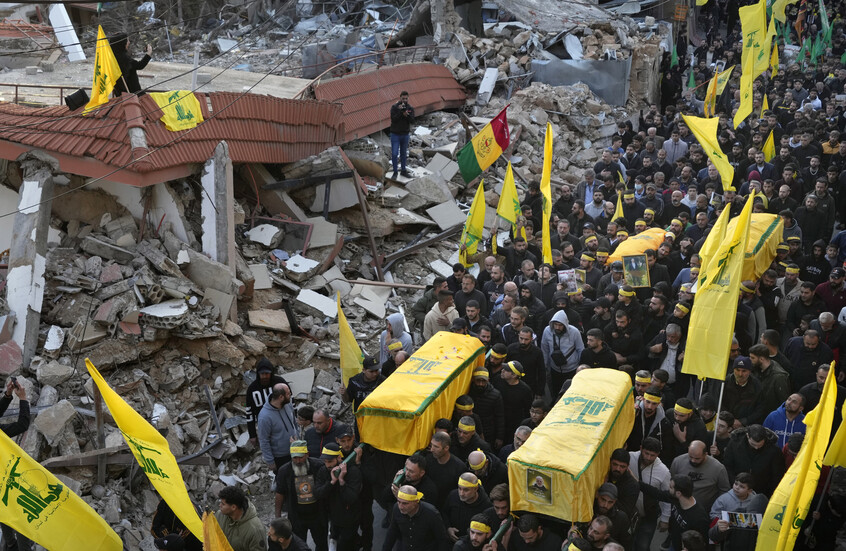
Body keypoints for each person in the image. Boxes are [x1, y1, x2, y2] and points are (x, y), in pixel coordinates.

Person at [274, 441, 327, 550]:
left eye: (301, 457)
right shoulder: (284, 471)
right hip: (297, 516)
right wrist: (278, 516)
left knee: (322, 544)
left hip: (317, 514)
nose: (298, 461)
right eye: (295, 458)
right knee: (297, 546)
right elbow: (280, 493)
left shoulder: (318, 466)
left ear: (307, 454)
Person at [638, 475, 710, 551]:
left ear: (679, 493)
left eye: (671, 487)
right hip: (674, 544)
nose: (668, 489)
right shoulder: (676, 499)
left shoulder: (699, 518)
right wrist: (637, 482)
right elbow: (657, 493)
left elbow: (704, 543)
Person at [314, 443, 362, 551]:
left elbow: (351, 498)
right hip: (334, 518)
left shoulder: (353, 472)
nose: (327, 465)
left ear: (339, 458)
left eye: (330, 461)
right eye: (325, 462)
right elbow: (318, 493)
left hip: (349, 519)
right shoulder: (323, 471)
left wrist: (341, 481)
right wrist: (331, 482)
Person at [1, 378, 31, 551]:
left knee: (3, 511)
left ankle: (10, 544)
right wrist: (23, 399)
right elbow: (22, 424)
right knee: (20, 515)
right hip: (7, 479)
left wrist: (7, 395)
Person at [708, 473, 769, 550]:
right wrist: (721, 523)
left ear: (749, 491)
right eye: (736, 484)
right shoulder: (724, 500)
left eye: (742, 487)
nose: (737, 488)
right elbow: (713, 532)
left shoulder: (757, 502)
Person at [629, 437, 671, 551]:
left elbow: (666, 497)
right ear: (641, 448)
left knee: (643, 545)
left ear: (658, 454)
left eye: (652, 455)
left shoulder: (664, 471)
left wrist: (665, 519)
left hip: (648, 515)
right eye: (646, 453)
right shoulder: (630, 457)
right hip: (628, 511)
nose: (648, 458)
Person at [721, 424, 784, 497]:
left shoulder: (774, 451)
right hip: (737, 489)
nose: (756, 448)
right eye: (753, 444)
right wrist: (736, 485)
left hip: (762, 492)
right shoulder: (735, 444)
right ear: (747, 436)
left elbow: (777, 475)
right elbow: (728, 466)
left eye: (760, 445)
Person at [382, 485, 449, 551]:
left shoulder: (431, 513)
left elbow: (442, 539)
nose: (401, 507)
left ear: (416, 502)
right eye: (399, 502)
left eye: (405, 503)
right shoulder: (396, 508)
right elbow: (392, 532)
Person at [669, 441, 730, 513]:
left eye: (697, 458)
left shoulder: (718, 468)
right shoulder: (678, 461)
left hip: (704, 511)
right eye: (690, 456)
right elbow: (670, 483)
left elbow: (724, 490)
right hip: (679, 508)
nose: (693, 460)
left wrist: (717, 509)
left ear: (706, 454)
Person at [541, 310, 584, 395]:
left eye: (560, 325)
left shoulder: (574, 332)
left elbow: (580, 349)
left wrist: (580, 367)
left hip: (571, 369)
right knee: (556, 392)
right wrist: (546, 366)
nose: (557, 327)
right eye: (555, 324)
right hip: (554, 369)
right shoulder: (547, 331)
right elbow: (544, 349)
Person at [246, 358, 288, 445]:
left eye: (267, 373)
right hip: (265, 428)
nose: (264, 376)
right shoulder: (252, 389)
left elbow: (291, 403)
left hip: (283, 424)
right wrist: (252, 434)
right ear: (258, 374)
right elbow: (249, 413)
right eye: (262, 374)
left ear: (271, 373)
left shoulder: (280, 383)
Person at [257, 383, 297, 471]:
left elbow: (294, 421)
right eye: (288, 394)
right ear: (281, 397)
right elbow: (264, 440)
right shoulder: (265, 417)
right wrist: (270, 461)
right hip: (280, 457)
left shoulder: (288, 404)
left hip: (295, 450)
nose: (290, 395)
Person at [215, 486, 267, 551]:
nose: (220, 505)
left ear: (233, 507)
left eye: (223, 504)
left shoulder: (255, 529)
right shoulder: (220, 515)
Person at [444, 473, 492, 542]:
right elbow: (444, 513)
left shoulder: (486, 506)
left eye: (466, 490)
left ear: (475, 489)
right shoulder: (453, 496)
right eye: (459, 488)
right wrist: (448, 528)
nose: (461, 493)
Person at [427, 431, 467, 508]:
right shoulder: (428, 460)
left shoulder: (459, 467)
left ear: (446, 448)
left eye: (436, 447)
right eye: (432, 445)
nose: (432, 449)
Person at [390, 91, 414, 178]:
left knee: (403, 153)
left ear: (408, 98)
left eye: (406, 99)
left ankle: (403, 170)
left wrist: (406, 115)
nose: (404, 100)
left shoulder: (410, 108)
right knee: (394, 153)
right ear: (400, 98)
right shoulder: (395, 107)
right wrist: (400, 112)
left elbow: (412, 120)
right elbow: (393, 119)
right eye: (403, 99)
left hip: (405, 134)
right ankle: (395, 172)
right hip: (395, 134)